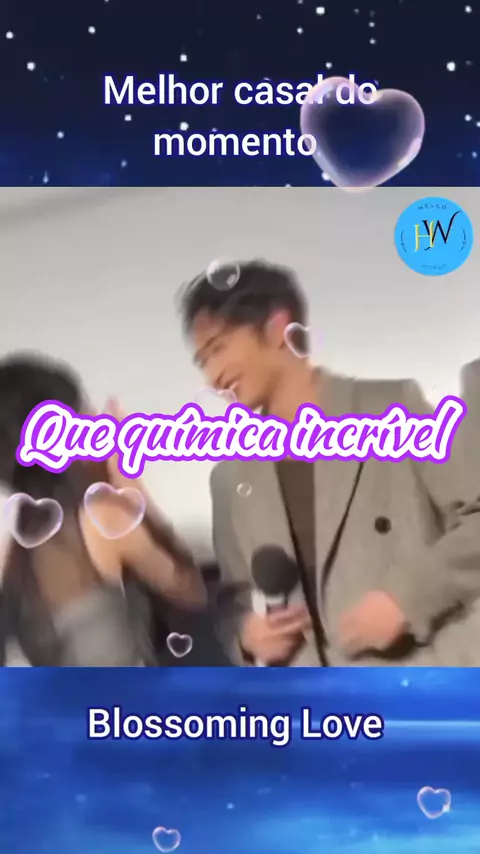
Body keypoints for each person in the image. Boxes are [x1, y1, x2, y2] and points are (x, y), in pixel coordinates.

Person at [180, 259, 480, 667]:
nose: (213, 377)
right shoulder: (229, 477)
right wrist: (247, 637)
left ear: (278, 329)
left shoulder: (391, 409)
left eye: (219, 348)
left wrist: (407, 599)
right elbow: (234, 599)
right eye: (203, 362)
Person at [0, 353, 206, 666]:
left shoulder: (15, 553)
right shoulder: (104, 517)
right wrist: (133, 489)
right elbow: (192, 593)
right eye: (84, 410)